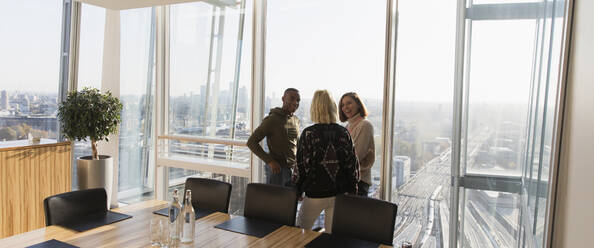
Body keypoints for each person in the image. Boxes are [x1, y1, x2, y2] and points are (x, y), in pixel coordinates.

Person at [293, 90, 359, 233]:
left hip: (314, 194)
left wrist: (297, 189)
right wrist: (353, 190)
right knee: (332, 239)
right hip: (339, 195)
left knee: (298, 235)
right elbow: (352, 164)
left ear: (314, 108)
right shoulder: (344, 132)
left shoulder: (309, 134)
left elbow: (301, 166)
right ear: (333, 107)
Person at [247, 88, 301, 186]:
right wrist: (270, 161)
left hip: (292, 169)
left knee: (290, 200)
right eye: (292, 98)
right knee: (274, 200)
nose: (295, 103)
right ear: (283, 98)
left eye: (298, 100)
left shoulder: (296, 120)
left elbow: (297, 144)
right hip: (277, 170)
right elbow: (251, 142)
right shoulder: (272, 119)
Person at [339, 92, 375, 196]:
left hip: (359, 182)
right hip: (347, 180)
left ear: (358, 104)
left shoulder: (365, 125)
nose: (345, 107)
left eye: (349, 103)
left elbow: (357, 155)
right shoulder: (348, 126)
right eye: (343, 105)